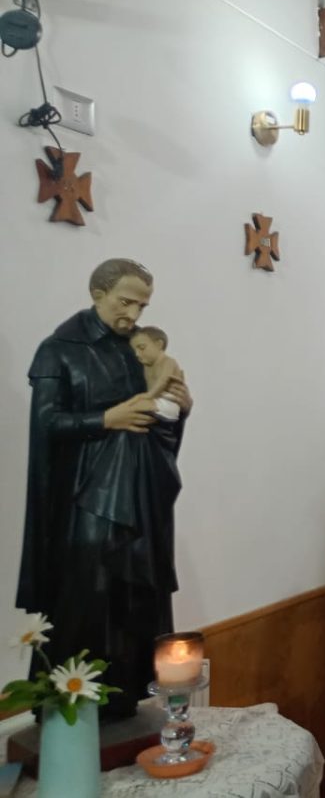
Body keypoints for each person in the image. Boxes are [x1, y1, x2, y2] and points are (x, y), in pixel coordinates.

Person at [17, 258, 193, 719]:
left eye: (142, 305)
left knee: (131, 593)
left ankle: (125, 694)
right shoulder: (59, 349)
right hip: (82, 495)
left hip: (137, 493)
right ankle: (71, 706)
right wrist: (104, 419)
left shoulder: (134, 351)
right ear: (97, 293)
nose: (134, 315)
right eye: (125, 301)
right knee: (86, 588)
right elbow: (46, 422)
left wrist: (179, 408)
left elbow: (155, 425)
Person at [129, 326, 186, 421]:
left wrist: (149, 396)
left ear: (159, 345)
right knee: (129, 407)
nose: (137, 354)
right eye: (135, 351)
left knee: (136, 407)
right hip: (154, 401)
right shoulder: (147, 366)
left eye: (142, 348)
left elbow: (163, 380)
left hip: (169, 403)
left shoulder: (168, 362)